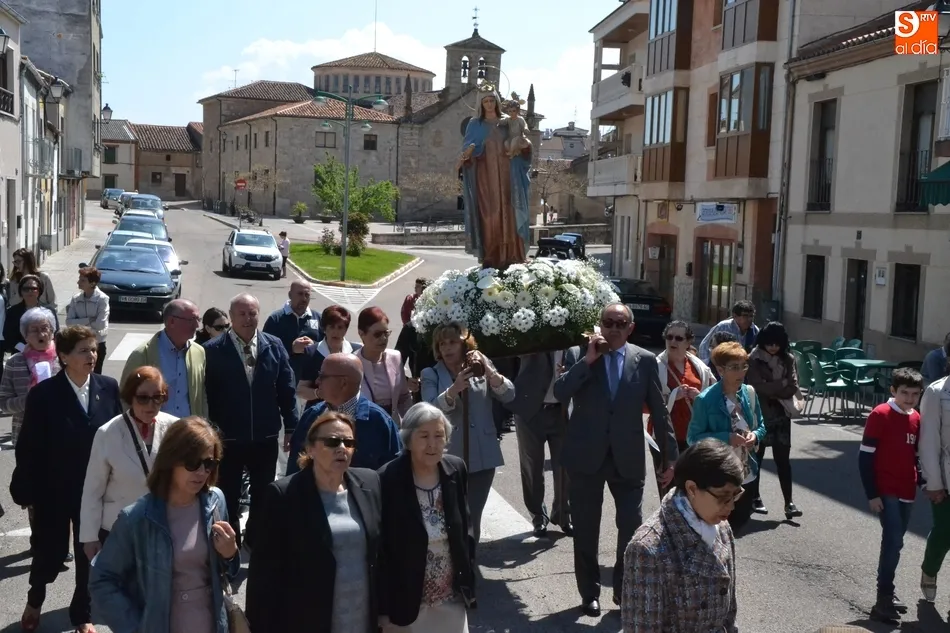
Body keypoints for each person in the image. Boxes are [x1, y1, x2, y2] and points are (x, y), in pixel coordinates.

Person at [553, 303, 676, 616]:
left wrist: (670, 458)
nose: (614, 328)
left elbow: (660, 414)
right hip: (586, 458)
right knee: (585, 529)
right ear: (600, 324)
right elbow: (560, 391)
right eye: (608, 322)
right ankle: (589, 592)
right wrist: (587, 360)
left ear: (630, 328)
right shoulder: (579, 354)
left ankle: (623, 589)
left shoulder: (645, 360)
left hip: (628, 457)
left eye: (621, 323)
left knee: (631, 528)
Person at [10, 325, 122, 633]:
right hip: (54, 491)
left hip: (95, 491)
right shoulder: (44, 394)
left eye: (94, 349)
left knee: (90, 554)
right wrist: (28, 489)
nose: (92, 355)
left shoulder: (109, 387)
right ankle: (35, 599)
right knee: (50, 552)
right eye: (84, 350)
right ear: (64, 356)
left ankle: (81, 614)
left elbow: (118, 437)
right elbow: (29, 446)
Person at [89, 416, 240, 633]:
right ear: (171, 460)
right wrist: (135, 628)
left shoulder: (216, 501)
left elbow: (227, 574)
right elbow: (102, 580)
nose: (201, 472)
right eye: (192, 463)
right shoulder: (137, 518)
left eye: (209, 464)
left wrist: (230, 554)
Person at [246, 411, 383, 633]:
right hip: (305, 622)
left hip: (360, 620)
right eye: (332, 441)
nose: (342, 448)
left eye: (349, 442)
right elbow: (263, 574)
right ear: (310, 449)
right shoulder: (284, 495)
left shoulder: (369, 483)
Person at [203, 293, 297, 551]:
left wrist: (291, 426)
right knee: (228, 494)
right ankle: (229, 546)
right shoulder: (212, 351)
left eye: (252, 313)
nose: (248, 318)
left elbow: (286, 388)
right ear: (231, 317)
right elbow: (207, 394)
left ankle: (256, 541)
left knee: (264, 495)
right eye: (242, 314)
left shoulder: (273, 345)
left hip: (265, 437)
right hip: (228, 438)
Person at [622, 439, 742, 632]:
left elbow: (730, 613)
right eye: (723, 497)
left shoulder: (721, 526)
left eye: (736, 495)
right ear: (692, 489)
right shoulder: (647, 549)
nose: (731, 505)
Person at [378, 402, 475, 632]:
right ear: (408, 439)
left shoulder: (455, 469)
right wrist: (382, 609)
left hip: (450, 597)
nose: (432, 444)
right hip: (407, 601)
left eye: (439, 435)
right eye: (423, 436)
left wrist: (468, 583)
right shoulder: (386, 479)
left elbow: (465, 530)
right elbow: (380, 550)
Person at [422, 322, 514, 546]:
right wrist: (453, 391)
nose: (447, 348)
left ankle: (469, 570)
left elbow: (509, 395)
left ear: (464, 344)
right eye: (442, 344)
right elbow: (429, 409)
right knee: (451, 516)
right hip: (448, 457)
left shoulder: (478, 366)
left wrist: (489, 370)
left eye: (452, 342)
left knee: (472, 516)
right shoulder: (431, 373)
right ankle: (450, 566)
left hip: (483, 456)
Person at [79, 366, 177, 560]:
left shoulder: (175, 428)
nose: (151, 404)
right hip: (118, 528)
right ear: (130, 397)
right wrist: (89, 537)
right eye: (143, 397)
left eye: (158, 397)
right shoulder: (108, 433)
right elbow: (93, 489)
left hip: (163, 527)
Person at [857, 367, 923, 624]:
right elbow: (865, 458)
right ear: (893, 391)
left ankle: (888, 590)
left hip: (908, 489)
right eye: (904, 393)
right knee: (893, 540)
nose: (909, 399)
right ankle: (882, 598)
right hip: (887, 489)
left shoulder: (916, 417)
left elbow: (915, 455)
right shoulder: (880, 414)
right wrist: (872, 494)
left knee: (896, 542)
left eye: (914, 394)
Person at [687, 341, 766, 533]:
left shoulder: (749, 393)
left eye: (744, 366)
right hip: (719, 476)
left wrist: (754, 436)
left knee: (739, 522)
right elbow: (693, 438)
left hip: (746, 473)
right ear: (720, 370)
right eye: (734, 367)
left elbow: (761, 425)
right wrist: (726, 438)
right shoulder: (705, 400)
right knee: (718, 528)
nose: (741, 373)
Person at [288, 352, 402, 474]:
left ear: (343, 383)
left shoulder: (379, 422)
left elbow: (394, 473)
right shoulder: (311, 416)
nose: (317, 381)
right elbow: (295, 466)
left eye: (322, 376)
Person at [459, 83, 532, 269]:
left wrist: (525, 147)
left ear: (497, 102)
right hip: (485, 178)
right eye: (486, 101)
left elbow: (523, 143)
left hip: (509, 176)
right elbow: (466, 151)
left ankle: (514, 255)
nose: (489, 104)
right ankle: (491, 258)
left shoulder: (508, 122)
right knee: (490, 216)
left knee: (510, 212)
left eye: (492, 100)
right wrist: (471, 152)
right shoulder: (475, 124)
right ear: (480, 104)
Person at [505, 351, 572, 537]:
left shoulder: (576, 334)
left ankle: (563, 514)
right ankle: (538, 516)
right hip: (530, 410)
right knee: (532, 466)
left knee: (565, 467)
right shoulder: (536, 331)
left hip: (562, 411)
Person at [648, 320, 716, 498]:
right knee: (669, 490)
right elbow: (645, 404)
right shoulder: (655, 366)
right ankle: (668, 524)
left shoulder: (699, 367)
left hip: (694, 435)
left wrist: (699, 397)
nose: (673, 342)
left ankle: (689, 524)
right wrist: (672, 396)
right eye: (669, 337)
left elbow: (715, 395)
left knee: (692, 489)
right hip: (664, 437)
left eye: (679, 338)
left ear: (688, 342)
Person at [745, 321, 804, 519]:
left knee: (783, 461)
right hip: (760, 414)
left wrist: (775, 387)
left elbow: (793, 386)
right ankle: (755, 498)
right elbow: (756, 386)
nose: (773, 347)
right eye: (769, 343)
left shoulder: (788, 358)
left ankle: (789, 503)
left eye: (776, 344)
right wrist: (781, 384)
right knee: (757, 458)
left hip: (781, 415)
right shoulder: (753, 358)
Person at [120, 299, 207, 419]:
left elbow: (201, 397)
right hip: (155, 431)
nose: (197, 325)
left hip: (188, 431)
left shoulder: (199, 352)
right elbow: (126, 398)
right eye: (191, 320)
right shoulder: (142, 355)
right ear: (171, 321)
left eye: (198, 319)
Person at [0, 307, 60, 447]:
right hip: (26, 434)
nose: (41, 334)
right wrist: (29, 399)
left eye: (45, 328)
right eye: (34, 330)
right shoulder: (15, 362)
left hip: (60, 432)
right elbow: (4, 404)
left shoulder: (64, 359)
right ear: (25, 336)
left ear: (52, 332)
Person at [920, 368, 950, 607]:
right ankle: (929, 571)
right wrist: (934, 483)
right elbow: (929, 441)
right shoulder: (937, 392)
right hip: (946, 476)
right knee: (944, 532)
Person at [296, 305, 362, 408]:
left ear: (346, 330)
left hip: (349, 412)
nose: (336, 332)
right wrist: (318, 393)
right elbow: (301, 390)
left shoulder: (356, 351)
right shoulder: (311, 352)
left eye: (340, 327)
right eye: (332, 327)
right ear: (324, 329)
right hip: (318, 412)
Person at [356, 307, 413, 423]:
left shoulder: (395, 357)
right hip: (364, 429)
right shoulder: (352, 363)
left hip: (392, 427)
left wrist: (410, 425)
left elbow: (404, 397)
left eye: (386, 333)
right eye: (377, 334)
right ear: (361, 334)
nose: (383, 339)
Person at [262, 280, 322, 382]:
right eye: (300, 294)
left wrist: (314, 347)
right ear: (290, 295)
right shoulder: (276, 319)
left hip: (310, 383)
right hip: (283, 381)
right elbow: (265, 351)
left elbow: (328, 346)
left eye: (307, 295)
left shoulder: (318, 318)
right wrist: (291, 349)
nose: (304, 298)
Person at [66, 266, 111, 374]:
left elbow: (100, 325)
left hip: (97, 343)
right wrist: (89, 320)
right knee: (77, 373)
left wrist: (79, 322)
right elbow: (69, 322)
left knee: (95, 376)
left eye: (82, 280)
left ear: (92, 283)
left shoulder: (102, 299)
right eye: (79, 279)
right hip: (78, 343)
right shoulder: (76, 299)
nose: (78, 282)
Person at [4, 274, 58, 354]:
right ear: (21, 291)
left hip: (46, 353)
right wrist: (24, 349)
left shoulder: (49, 311)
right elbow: (8, 335)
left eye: (34, 288)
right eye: (26, 289)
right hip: (21, 355)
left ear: (39, 291)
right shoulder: (12, 312)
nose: (30, 291)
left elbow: (56, 333)